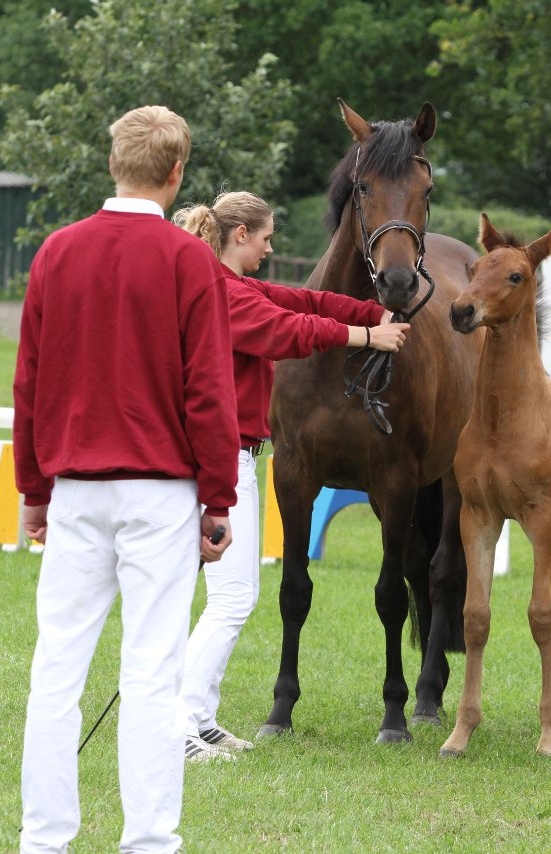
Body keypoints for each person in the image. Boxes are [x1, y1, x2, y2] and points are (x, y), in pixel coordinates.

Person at [14, 105, 238, 854]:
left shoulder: (57, 252)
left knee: (58, 668)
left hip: (75, 485)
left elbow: (30, 382)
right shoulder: (187, 261)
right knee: (150, 673)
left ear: (114, 162)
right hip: (160, 491)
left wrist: (34, 490)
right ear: (176, 174)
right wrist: (218, 498)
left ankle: (43, 839)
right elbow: (208, 389)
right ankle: (149, 842)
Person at [172, 190, 409, 760]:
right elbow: (288, 332)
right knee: (231, 600)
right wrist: (368, 337)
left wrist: (372, 310)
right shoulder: (222, 295)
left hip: (232, 455)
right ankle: (179, 724)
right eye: (267, 237)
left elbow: (306, 300)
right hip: (222, 457)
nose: (271, 247)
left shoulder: (235, 285)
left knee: (233, 597)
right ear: (240, 236)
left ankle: (198, 719)